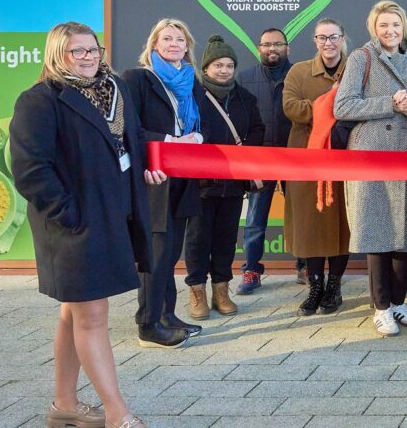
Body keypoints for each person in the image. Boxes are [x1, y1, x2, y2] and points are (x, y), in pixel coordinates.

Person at [10, 22, 162, 428]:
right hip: (73, 226)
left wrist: (145, 169)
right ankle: (117, 413)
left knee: (73, 313)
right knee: (92, 314)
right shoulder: (40, 101)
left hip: (114, 214)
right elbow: (29, 168)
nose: (88, 57)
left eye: (92, 49)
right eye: (77, 51)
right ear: (58, 55)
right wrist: (69, 214)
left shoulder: (117, 90)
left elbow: (130, 141)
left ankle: (64, 405)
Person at [334, 0, 407, 336]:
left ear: (404, 26)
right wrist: (389, 104)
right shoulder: (361, 58)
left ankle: (399, 303)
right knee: (377, 229)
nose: (390, 31)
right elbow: (343, 106)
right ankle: (380, 307)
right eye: (383, 26)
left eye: (395, 25)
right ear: (373, 29)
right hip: (372, 153)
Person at [122, 18, 223, 347]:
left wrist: (197, 139)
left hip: (184, 177)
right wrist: (169, 140)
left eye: (180, 39)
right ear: (154, 44)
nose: (174, 44)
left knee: (170, 253)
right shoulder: (137, 79)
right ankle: (148, 324)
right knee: (155, 253)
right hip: (155, 178)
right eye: (167, 39)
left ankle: (167, 315)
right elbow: (129, 132)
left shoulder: (190, 81)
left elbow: (202, 124)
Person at [185, 35, 264, 320]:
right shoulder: (192, 95)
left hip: (232, 183)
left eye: (229, 65)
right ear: (206, 67)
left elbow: (257, 130)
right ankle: (196, 292)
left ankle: (221, 290)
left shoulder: (245, 98)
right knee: (197, 239)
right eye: (218, 64)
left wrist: (240, 154)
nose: (224, 70)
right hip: (200, 183)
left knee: (226, 238)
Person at [282, 18, 353, 317]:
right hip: (306, 160)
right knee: (310, 225)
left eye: (333, 37)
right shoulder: (298, 71)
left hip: (344, 158)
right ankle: (315, 286)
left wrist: (322, 109)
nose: (328, 43)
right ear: (314, 40)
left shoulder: (354, 69)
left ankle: (334, 287)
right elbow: (290, 107)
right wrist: (328, 108)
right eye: (322, 37)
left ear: (342, 38)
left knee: (341, 224)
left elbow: (359, 107)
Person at [235, 28, 293, 295]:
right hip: (259, 158)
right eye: (267, 44)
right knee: (256, 218)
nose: (272, 49)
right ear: (258, 48)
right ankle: (251, 269)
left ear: (287, 48)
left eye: (277, 44)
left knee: (300, 214)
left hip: (296, 157)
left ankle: (304, 265)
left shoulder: (299, 74)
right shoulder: (244, 78)